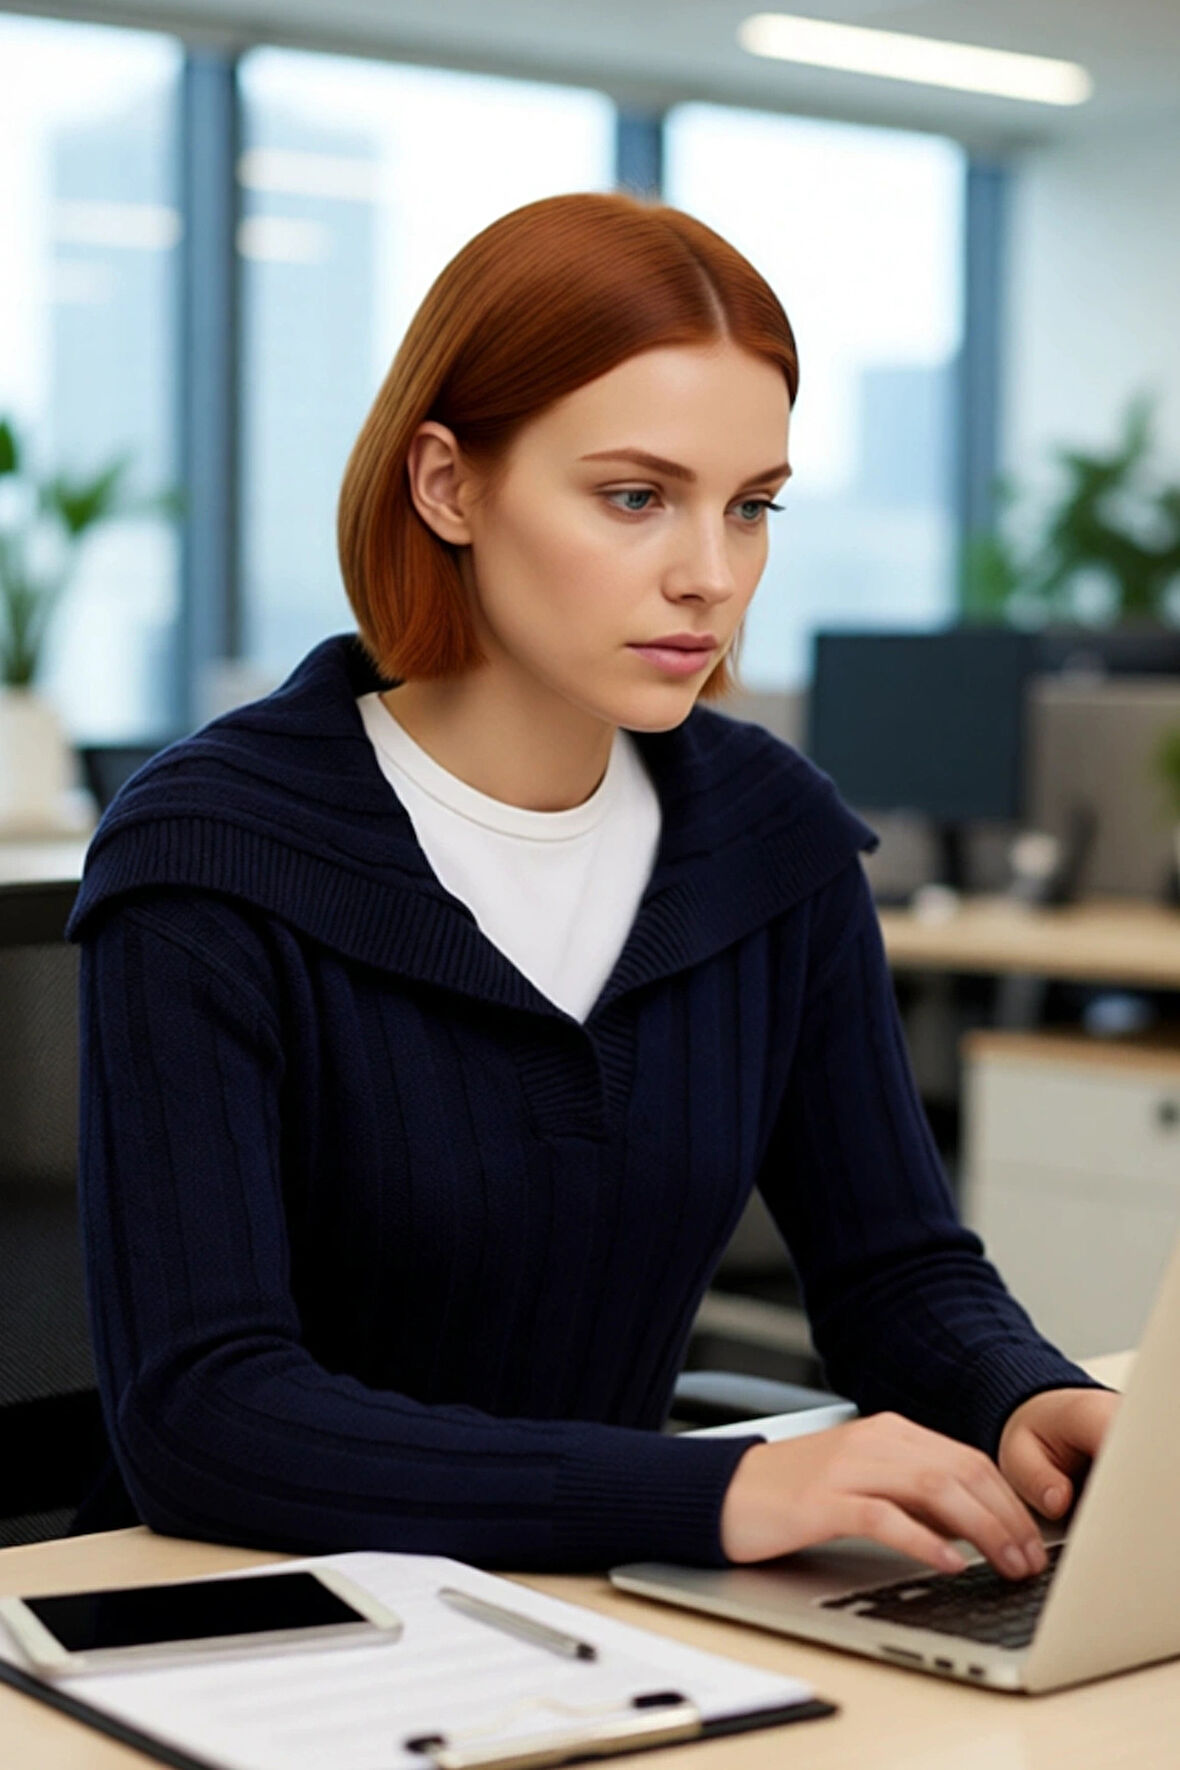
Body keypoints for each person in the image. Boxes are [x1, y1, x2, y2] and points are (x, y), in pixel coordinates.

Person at [67, 190, 1118, 1576]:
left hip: (622, 1613)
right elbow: (202, 1413)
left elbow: (894, 1271)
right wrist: (719, 1494)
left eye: (751, 509)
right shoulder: (209, 852)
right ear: (448, 483)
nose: (711, 575)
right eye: (636, 497)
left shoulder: (770, 835)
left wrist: (1028, 1392)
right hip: (273, 1619)